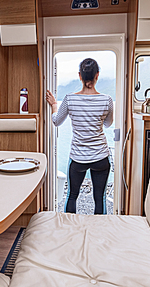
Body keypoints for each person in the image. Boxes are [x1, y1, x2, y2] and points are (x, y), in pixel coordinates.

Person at [46, 58, 114, 214]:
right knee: (100, 197)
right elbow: (108, 124)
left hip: (78, 159)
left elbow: (56, 121)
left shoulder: (70, 99)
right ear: (97, 75)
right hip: (101, 157)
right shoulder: (107, 100)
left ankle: (70, 231)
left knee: (72, 196)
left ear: (79, 76)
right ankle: (99, 232)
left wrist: (54, 105)